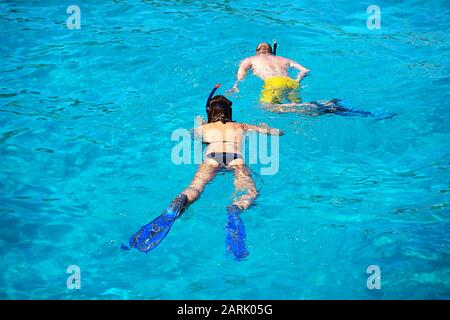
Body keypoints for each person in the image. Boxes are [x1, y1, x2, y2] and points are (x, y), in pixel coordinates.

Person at [128, 95, 284, 260]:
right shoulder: (242, 126)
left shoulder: (205, 128)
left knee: (195, 187)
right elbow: (278, 133)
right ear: (229, 112)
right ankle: (236, 209)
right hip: (235, 158)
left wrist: (201, 126)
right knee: (250, 192)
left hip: (212, 157)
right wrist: (265, 127)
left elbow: (187, 136)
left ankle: (181, 201)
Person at [230, 42, 310, 105]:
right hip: (291, 83)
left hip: (273, 83)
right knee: (297, 104)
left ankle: (289, 108)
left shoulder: (251, 59)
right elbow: (305, 70)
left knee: (266, 107)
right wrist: (297, 80)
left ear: (256, 52)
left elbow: (241, 76)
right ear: (271, 51)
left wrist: (236, 85)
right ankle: (309, 106)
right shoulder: (284, 59)